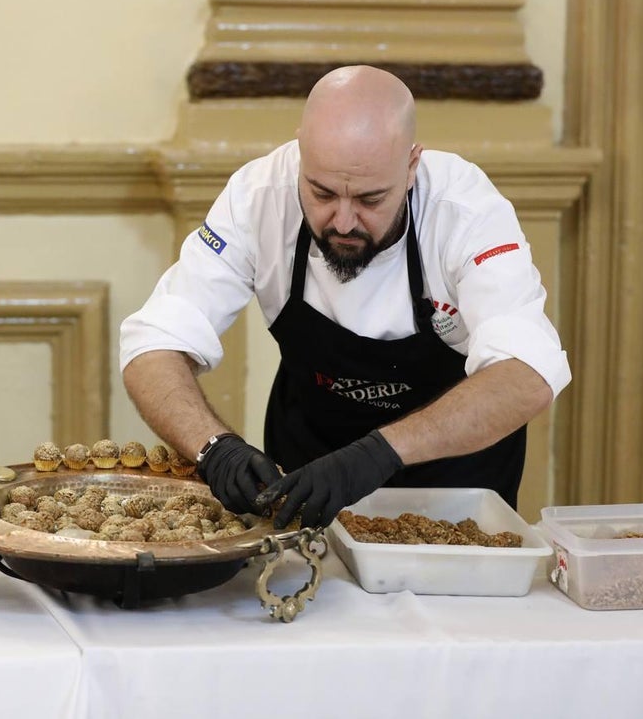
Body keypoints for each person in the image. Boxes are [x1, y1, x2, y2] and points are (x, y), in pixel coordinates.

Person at [119, 65, 570, 530]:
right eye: (322, 193)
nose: (344, 221)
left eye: (371, 200)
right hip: (303, 481)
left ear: (412, 166)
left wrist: (378, 453)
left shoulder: (465, 213)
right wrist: (215, 447)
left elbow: (526, 373)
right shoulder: (258, 198)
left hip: (453, 497)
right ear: (300, 154)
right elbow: (153, 344)